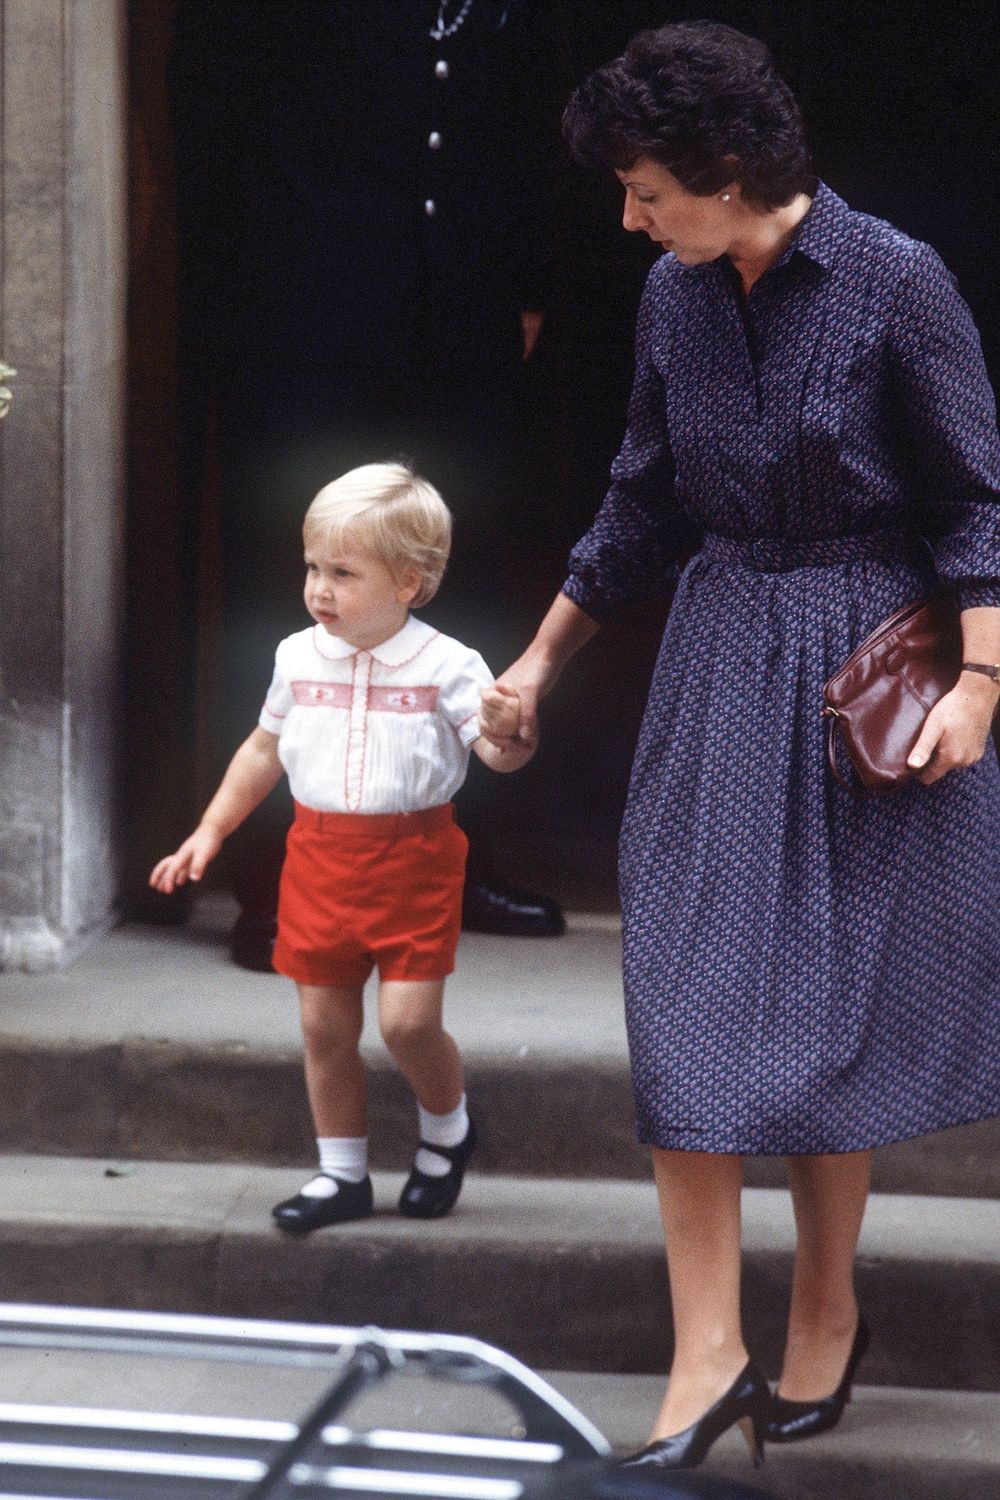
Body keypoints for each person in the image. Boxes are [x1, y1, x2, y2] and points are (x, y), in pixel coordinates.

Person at [485, 19, 1000, 1472]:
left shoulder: (899, 282)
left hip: (867, 677)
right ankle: (705, 1351)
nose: (630, 217)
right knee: (693, 1006)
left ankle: (825, 1310)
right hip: (718, 663)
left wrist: (978, 687)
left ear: (724, 170)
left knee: (832, 1012)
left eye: (647, 189)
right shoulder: (672, 295)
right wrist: (536, 663)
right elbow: (642, 499)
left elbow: (977, 505)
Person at [166, 0, 564, 968]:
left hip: (460, 313)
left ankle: (450, 866)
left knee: (451, 587)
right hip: (299, 313)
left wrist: (524, 283)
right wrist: (230, 298)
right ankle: (275, 886)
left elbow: (526, 124)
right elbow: (207, 117)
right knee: (292, 597)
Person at [150, 463, 531, 1231]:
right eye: (312, 568)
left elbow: (498, 757)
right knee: (325, 1027)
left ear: (410, 584)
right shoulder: (297, 656)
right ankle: (341, 1174)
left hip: (414, 858)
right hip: (319, 856)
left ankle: (448, 1130)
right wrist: (209, 831)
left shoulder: (448, 666)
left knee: (406, 1024)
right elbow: (262, 751)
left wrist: (508, 729)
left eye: (343, 572)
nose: (319, 588)